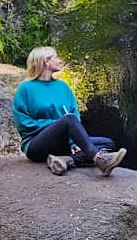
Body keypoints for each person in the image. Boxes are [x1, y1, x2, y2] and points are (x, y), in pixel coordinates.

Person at [12, 45, 127, 176]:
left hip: (63, 143)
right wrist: (57, 124)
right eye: (55, 57)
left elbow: (75, 117)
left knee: (107, 143)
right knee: (69, 120)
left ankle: (66, 161)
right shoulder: (26, 88)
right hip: (36, 143)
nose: (59, 60)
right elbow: (23, 123)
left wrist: (73, 141)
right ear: (46, 61)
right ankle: (98, 160)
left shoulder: (62, 86)